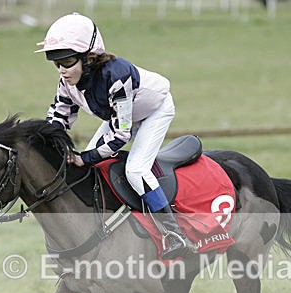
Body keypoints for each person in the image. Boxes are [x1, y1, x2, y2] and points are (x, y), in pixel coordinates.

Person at [35, 12, 196, 261]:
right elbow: (58, 117)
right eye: (55, 62)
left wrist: (85, 157)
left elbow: (121, 135)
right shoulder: (66, 81)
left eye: (66, 61)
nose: (61, 70)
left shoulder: (116, 75)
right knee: (90, 168)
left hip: (155, 111)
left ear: (88, 58)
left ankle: (174, 234)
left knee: (136, 170)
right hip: (123, 115)